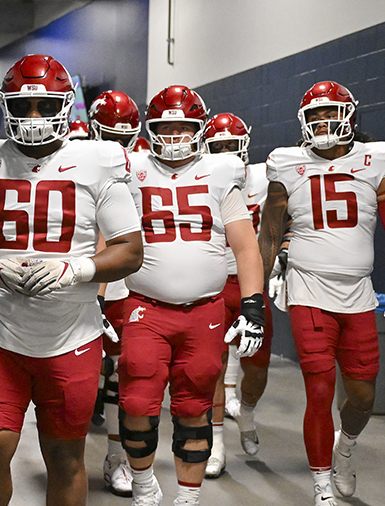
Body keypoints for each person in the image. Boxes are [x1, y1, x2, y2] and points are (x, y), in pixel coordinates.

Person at [0, 54, 143, 506]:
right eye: (23, 105)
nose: (33, 117)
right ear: (5, 104)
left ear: (67, 107)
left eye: (45, 106)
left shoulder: (98, 159)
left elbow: (131, 250)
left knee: (65, 455)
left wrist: (77, 269)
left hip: (72, 336)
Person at [258, 81, 385, 506]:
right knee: (320, 387)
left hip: (359, 293)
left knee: (363, 395)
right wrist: (267, 275)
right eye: (315, 116)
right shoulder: (286, 164)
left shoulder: (375, 158)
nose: (323, 122)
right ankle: (321, 483)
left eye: (330, 113)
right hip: (308, 287)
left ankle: (344, 447)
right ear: (303, 123)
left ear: (349, 116)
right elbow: (270, 229)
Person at [118, 85, 265, 506]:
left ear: (199, 130)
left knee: (194, 407)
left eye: (185, 127)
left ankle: (188, 496)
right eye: (167, 127)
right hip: (146, 306)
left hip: (205, 311)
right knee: (137, 402)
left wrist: (252, 304)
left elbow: (245, 246)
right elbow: (107, 236)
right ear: (151, 128)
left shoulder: (221, 170)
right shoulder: (133, 168)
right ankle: (145, 485)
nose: (175, 136)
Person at [201, 112, 275, 478]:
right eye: (219, 146)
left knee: (257, 370)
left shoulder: (264, 176)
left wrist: (285, 260)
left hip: (251, 283)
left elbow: (283, 222)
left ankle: (246, 410)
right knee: (212, 367)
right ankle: (216, 443)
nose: (228, 153)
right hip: (213, 282)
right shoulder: (199, 177)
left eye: (233, 146)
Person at [87, 89, 143, 496]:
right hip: (84, 281)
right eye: (110, 134)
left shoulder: (142, 164)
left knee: (122, 374)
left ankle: (115, 456)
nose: (118, 144)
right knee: (82, 377)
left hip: (125, 283)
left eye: (125, 136)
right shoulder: (77, 158)